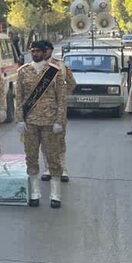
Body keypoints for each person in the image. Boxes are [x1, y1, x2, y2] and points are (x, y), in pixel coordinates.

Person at [16, 40, 67, 208]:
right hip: (30, 122)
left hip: (49, 122)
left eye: (38, 51)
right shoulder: (23, 72)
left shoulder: (54, 72)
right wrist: (19, 119)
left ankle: (55, 194)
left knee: (52, 157)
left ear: (45, 52)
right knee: (31, 157)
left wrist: (59, 121)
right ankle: (35, 193)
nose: (35, 53)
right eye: (33, 51)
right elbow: (19, 98)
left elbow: (62, 99)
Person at [44, 41, 77, 182]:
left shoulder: (61, 65)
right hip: (40, 111)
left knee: (59, 141)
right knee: (45, 142)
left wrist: (62, 96)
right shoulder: (33, 67)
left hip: (58, 110)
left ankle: (62, 168)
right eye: (40, 50)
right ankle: (47, 168)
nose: (43, 53)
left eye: (46, 50)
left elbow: (72, 82)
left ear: (51, 50)